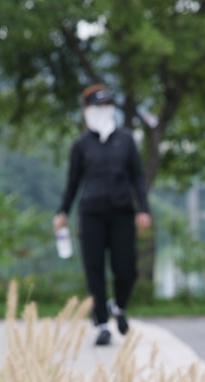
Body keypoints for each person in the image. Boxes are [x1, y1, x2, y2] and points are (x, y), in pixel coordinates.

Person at [54, 85, 152, 347]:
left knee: (127, 268)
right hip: (92, 214)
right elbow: (73, 182)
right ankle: (101, 324)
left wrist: (144, 208)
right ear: (86, 111)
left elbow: (137, 178)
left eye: (105, 106)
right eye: (95, 107)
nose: (101, 111)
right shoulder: (81, 145)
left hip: (121, 213)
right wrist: (62, 211)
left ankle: (117, 305)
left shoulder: (126, 140)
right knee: (94, 269)